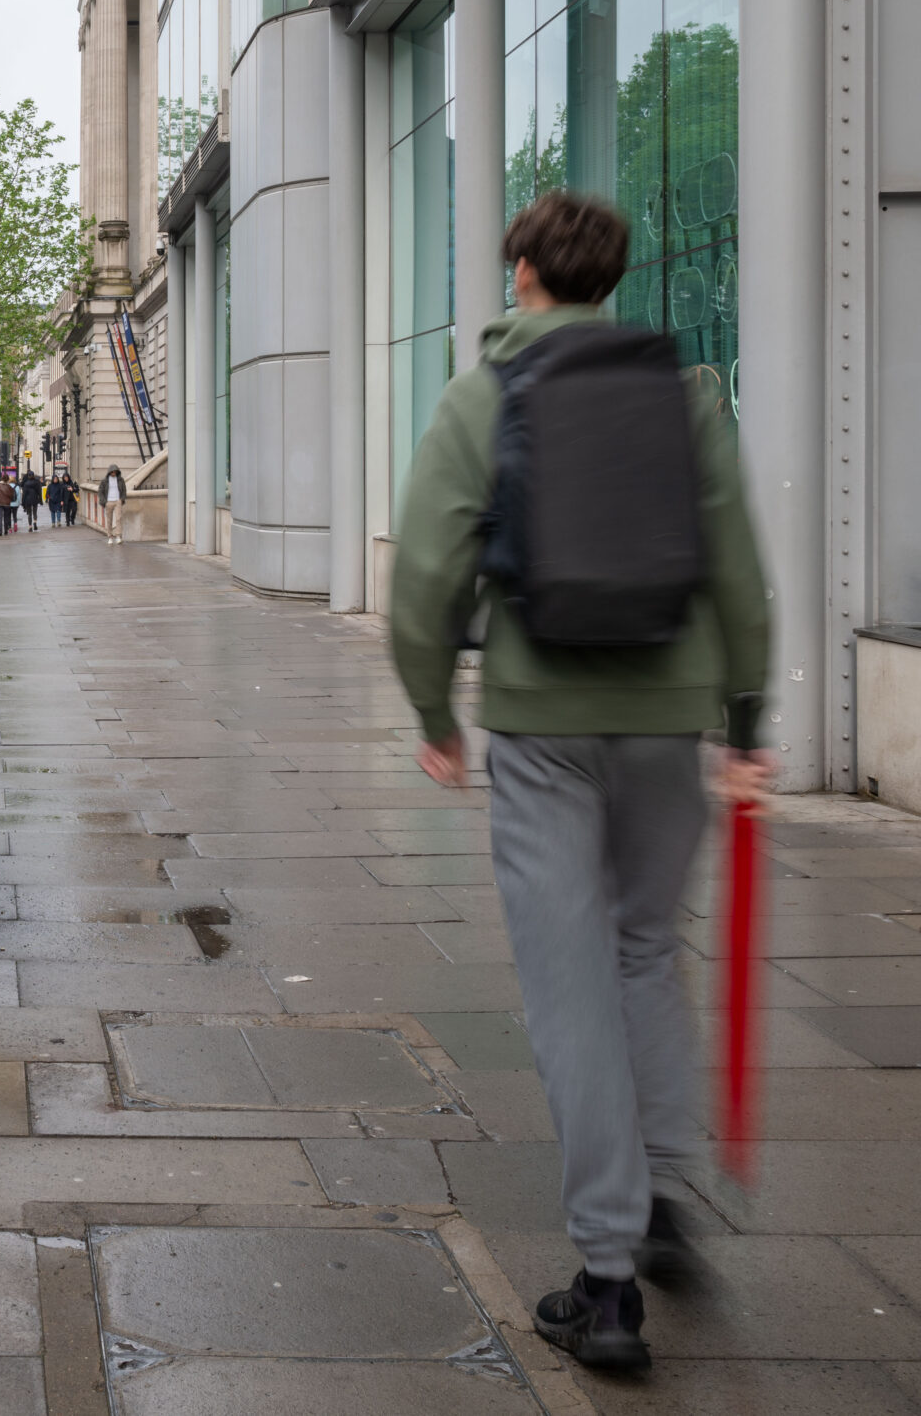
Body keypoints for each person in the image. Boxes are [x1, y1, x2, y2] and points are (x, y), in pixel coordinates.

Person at [390, 191, 772, 1376]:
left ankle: (607, 1284)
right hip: (669, 723)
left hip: (544, 722)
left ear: (522, 274)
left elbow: (425, 568)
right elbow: (735, 566)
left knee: (567, 993)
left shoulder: (482, 392)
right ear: (609, 279)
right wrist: (746, 720)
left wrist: (429, 708)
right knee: (646, 949)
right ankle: (664, 1201)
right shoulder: (686, 391)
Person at [99, 464, 126, 543]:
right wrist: (105, 502)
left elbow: (124, 490)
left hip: (118, 501)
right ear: (109, 472)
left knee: (118, 519)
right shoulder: (104, 481)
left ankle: (118, 536)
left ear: (117, 472)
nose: (113, 473)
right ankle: (110, 537)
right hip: (109, 502)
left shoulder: (121, 480)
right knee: (109, 520)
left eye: (115, 472)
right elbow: (100, 491)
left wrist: (122, 499)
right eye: (112, 472)